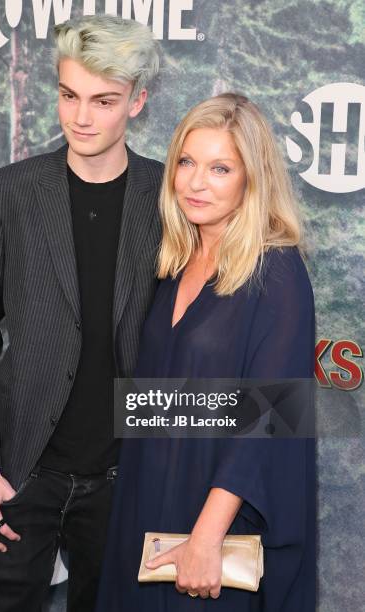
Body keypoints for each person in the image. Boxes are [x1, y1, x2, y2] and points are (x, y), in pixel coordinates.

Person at [0, 15, 163, 612]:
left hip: (124, 476)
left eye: (104, 100)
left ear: (137, 102)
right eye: (69, 95)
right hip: (22, 473)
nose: (81, 117)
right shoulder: (7, 193)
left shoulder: (169, 198)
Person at [96, 93, 315, 611]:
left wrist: (205, 537)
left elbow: (271, 418)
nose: (196, 182)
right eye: (187, 163)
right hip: (147, 502)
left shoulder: (276, 270)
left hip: (220, 518)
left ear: (251, 180)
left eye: (220, 168)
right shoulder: (174, 260)